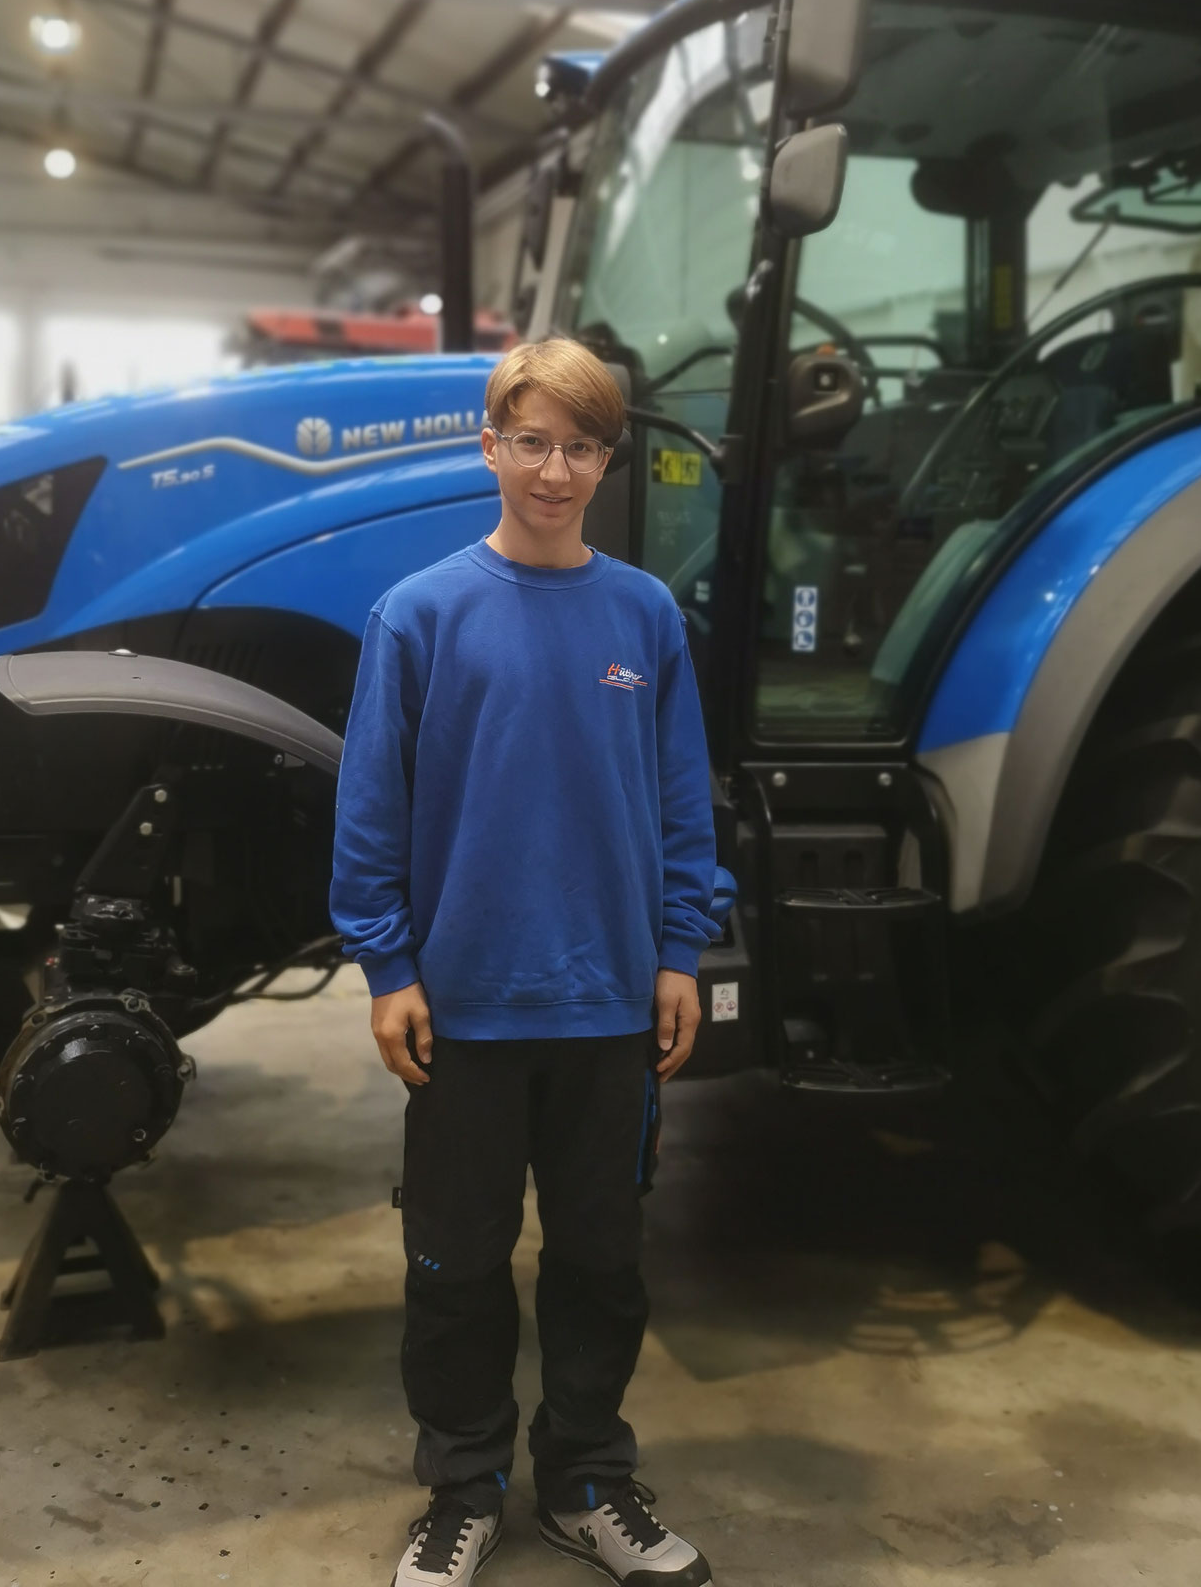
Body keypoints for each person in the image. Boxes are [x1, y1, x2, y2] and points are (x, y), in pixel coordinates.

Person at [330, 337, 729, 1586]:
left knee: (602, 1259)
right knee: (454, 1261)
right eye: (533, 441)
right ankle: (463, 1486)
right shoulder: (420, 614)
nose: (556, 470)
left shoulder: (645, 615)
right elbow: (371, 809)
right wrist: (388, 968)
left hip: (609, 1005)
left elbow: (681, 798)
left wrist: (679, 948)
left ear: (610, 461)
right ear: (490, 446)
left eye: (583, 446)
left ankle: (587, 1480)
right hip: (464, 1010)